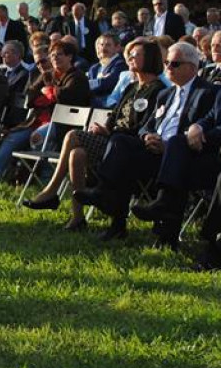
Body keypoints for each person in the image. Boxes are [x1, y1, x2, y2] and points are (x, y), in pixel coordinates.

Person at [76, 42, 217, 241]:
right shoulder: (165, 94)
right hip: (153, 150)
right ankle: (107, 200)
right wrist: (146, 136)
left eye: (175, 64)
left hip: (181, 155)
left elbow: (203, 128)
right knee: (121, 143)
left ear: (192, 68)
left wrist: (168, 145)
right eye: (166, 62)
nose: (168, 67)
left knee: (169, 147)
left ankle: (163, 221)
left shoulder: (207, 93)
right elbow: (146, 126)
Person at [22, 38, 166, 230]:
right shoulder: (132, 87)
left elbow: (146, 126)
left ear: (149, 59)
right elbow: (115, 116)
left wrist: (111, 132)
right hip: (112, 140)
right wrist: (105, 128)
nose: (130, 58)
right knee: (76, 154)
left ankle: (51, 190)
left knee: (73, 135)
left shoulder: (158, 90)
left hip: (129, 147)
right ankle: (78, 217)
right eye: (129, 55)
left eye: (135, 55)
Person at [0, 41, 91, 184]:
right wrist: (48, 95)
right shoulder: (48, 75)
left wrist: (49, 92)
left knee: (38, 137)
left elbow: (67, 98)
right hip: (37, 121)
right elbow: (30, 96)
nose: (55, 58)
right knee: (13, 137)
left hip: (63, 125)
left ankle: (46, 177)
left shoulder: (77, 77)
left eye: (60, 55)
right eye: (53, 55)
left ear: (70, 57)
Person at [88, 34, 126, 108]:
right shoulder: (94, 68)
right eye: (102, 45)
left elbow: (109, 83)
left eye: (108, 45)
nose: (103, 48)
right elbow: (87, 87)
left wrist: (91, 83)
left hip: (108, 106)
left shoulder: (120, 64)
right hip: (92, 104)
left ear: (117, 48)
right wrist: (100, 80)